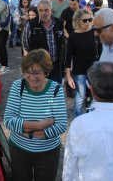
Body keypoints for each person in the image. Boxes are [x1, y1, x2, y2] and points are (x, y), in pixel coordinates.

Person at [4, 49, 67, 181]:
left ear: (46, 72)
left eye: (36, 73)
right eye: (28, 72)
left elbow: (61, 125)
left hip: (48, 152)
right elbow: (8, 120)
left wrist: (28, 132)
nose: (31, 77)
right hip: (19, 149)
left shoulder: (55, 90)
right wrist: (40, 125)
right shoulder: (18, 86)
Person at [65, 9, 98, 117]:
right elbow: (68, 58)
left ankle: (90, 117)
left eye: (90, 19)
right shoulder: (73, 37)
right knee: (81, 96)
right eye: (85, 20)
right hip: (79, 72)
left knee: (96, 95)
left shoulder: (94, 32)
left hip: (94, 70)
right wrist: (69, 77)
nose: (88, 22)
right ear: (78, 21)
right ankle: (78, 119)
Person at [22, 0, 65, 83]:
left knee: (55, 90)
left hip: (56, 65)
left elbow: (63, 42)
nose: (43, 13)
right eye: (41, 10)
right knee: (40, 90)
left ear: (51, 10)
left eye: (46, 10)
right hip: (38, 67)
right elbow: (26, 45)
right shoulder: (31, 25)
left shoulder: (59, 23)